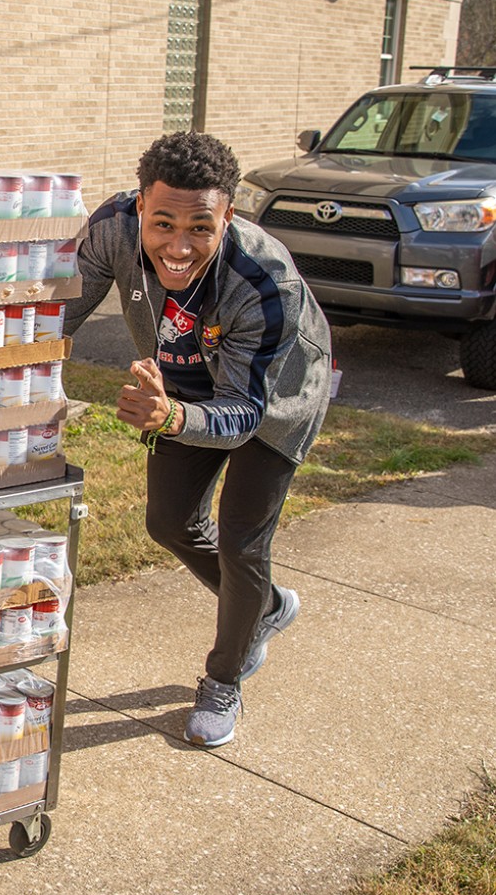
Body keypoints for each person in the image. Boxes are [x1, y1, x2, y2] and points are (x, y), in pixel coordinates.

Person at [62, 131, 332, 748]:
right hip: (179, 385)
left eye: (200, 228)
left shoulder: (265, 282)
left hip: (274, 397)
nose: (178, 247)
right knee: (169, 522)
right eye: (162, 224)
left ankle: (224, 676)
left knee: (242, 539)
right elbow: (54, 315)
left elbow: (240, 413)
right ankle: (263, 608)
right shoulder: (110, 232)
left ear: (228, 216)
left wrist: (171, 419)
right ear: (138, 206)